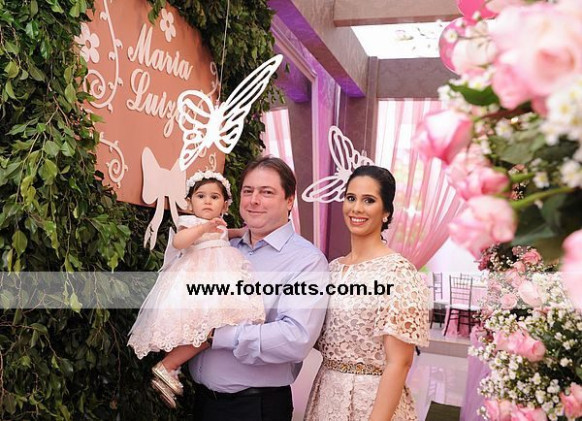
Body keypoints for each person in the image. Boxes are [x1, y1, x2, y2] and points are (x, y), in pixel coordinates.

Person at [188, 156, 330, 421]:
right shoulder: (223, 247)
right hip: (202, 402)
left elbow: (295, 338)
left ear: (289, 200)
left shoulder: (307, 261)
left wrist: (218, 336)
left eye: (267, 192)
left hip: (254, 408)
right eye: (248, 191)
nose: (254, 200)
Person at [128, 170, 265, 409]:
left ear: (225, 205)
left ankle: (169, 369)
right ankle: (168, 366)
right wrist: (204, 228)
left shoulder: (219, 225)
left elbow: (227, 234)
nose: (207, 201)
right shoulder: (190, 222)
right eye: (201, 196)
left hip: (218, 281)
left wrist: (241, 232)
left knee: (214, 327)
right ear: (190, 203)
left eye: (214, 197)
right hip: (196, 280)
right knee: (204, 328)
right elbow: (179, 242)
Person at [305, 165, 430, 421]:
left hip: (372, 403)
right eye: (351, 198)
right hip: (326, 396)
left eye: (369, 200)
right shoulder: (332, 269)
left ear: (386, 212)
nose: (357, 208)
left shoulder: (398, 272)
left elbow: (400, 362)